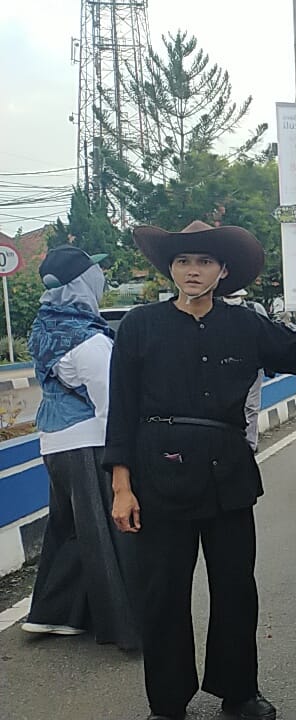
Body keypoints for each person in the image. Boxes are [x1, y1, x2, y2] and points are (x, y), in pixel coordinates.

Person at [107, 221, 296, 720]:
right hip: (157, 472)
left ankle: (238, 692)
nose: (192, 270)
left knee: (235, 587)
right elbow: (120, 411)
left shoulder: (247, 324)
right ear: (170, 268)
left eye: (204, 262)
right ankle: (167, 703)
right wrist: (122, 487)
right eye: (183, 261)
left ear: (223, 271)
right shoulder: (140, 325)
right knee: (164, 593)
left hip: (227, 471)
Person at [22, 246, 139, 650]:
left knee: (70, 531)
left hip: (54, 443)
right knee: (108, 536)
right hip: (89, 443)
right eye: (96, 274)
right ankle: (127, 627)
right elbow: (112, 406)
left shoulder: (46, 328)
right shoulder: (88, 340)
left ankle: (55, 613)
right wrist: (122, 463)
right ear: (84, 283)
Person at [223, 290, 270, 452]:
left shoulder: (254, 309)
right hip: (224, 367)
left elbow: (267, 336)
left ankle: (250, 444)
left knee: (251, 405)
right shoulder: (217, 310)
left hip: (252, 366)